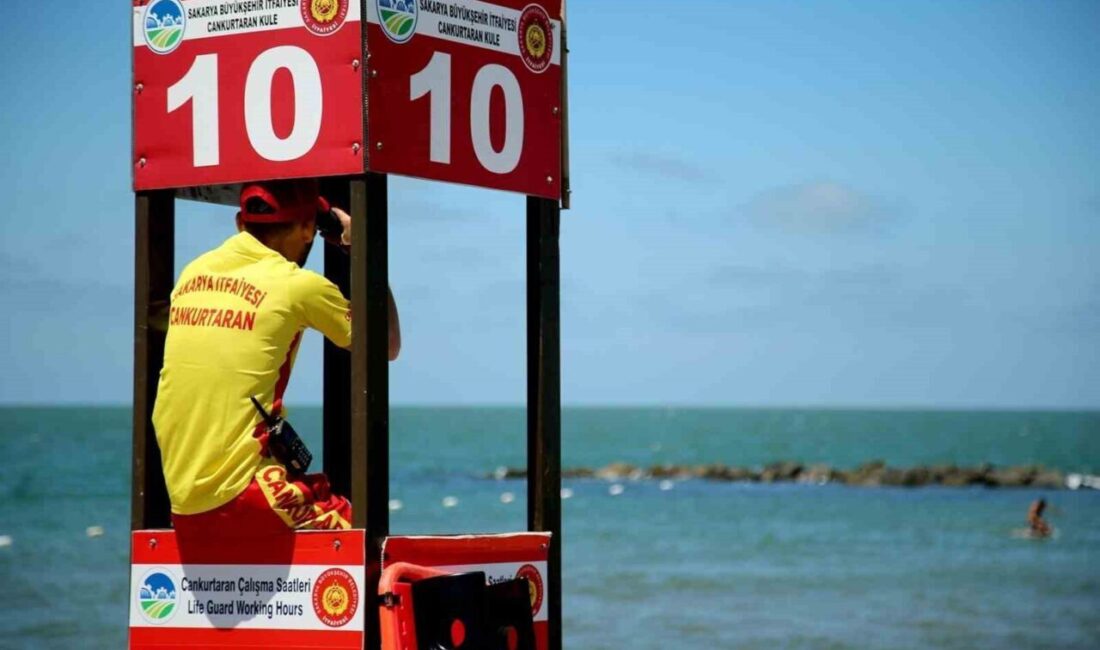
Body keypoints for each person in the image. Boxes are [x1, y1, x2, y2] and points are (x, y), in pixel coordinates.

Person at [152, 179, 399, 537]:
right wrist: (361, 248)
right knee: (364, 533)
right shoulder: (297, 285)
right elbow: (387, 345)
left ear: (240, 222)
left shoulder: (194, 273)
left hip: (181, 497)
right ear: (307, 230)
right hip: (242, 494)